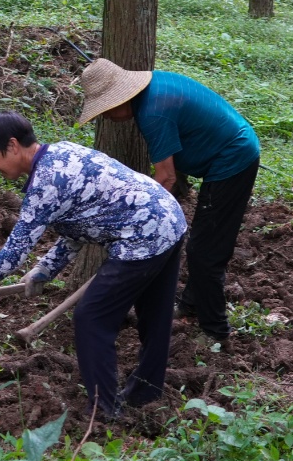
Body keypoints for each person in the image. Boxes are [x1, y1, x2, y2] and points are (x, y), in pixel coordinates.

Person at [0, 112, 188, 420]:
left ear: (12, 146)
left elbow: (11, 257)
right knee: (154, 313)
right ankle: (146, 394)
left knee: (92, 317)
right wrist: (45, 270)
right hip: (169, 219)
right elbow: (77, 223)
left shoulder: (45, 184)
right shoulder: (60, 154)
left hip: (143, 236)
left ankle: (104, 410)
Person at [76, 58, 260, 344]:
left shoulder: (152, 113)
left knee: (205, 251)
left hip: (233, 159)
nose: (107, 117)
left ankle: (215, 330)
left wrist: (139, 219)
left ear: (121, 97)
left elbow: (166, 178)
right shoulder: (154, 88)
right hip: (226, 150)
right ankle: (190, 305)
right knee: (201, 243)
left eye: (107, 109)